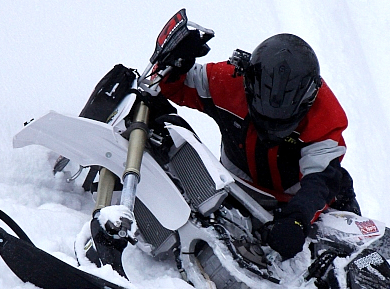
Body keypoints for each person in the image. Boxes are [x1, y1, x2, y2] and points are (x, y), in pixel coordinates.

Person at [152, 33, 360, 260]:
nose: (272, 126)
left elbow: (319, 181)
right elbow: (177, 84)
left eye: (283, 121)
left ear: (309, 99)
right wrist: (177, 64)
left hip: (304, 208)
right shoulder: (228, 80)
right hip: (238, 192)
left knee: (348, 265)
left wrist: (298, 219)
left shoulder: (326, 117)